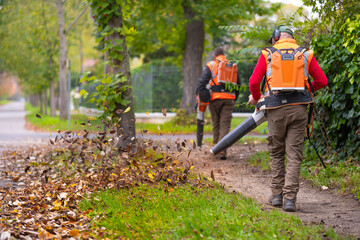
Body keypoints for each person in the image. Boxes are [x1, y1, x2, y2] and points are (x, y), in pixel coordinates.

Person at [248, 25, 327, 212]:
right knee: (294, 155)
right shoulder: (305, 54)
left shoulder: (267, 53)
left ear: (276, 38)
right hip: (299, 110)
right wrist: (308, 90)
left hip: (275, 109)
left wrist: (257, 97)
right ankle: (290, 199)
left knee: (276, 152)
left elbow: (253, 82)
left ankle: (276, 196)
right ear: (292, 38)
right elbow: (322, 80)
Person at [196, 47, 241, 160]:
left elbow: (202, 81)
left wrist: (198, 93)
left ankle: (217, 148)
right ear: (223, 54)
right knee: (225, 124)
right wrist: (235, 98)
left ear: (214, 55)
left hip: (214, 98)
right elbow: (238, 84)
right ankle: (221, 150)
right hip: (229, 99)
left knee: (216, 124)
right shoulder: (232, 64)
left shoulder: (211, 65)